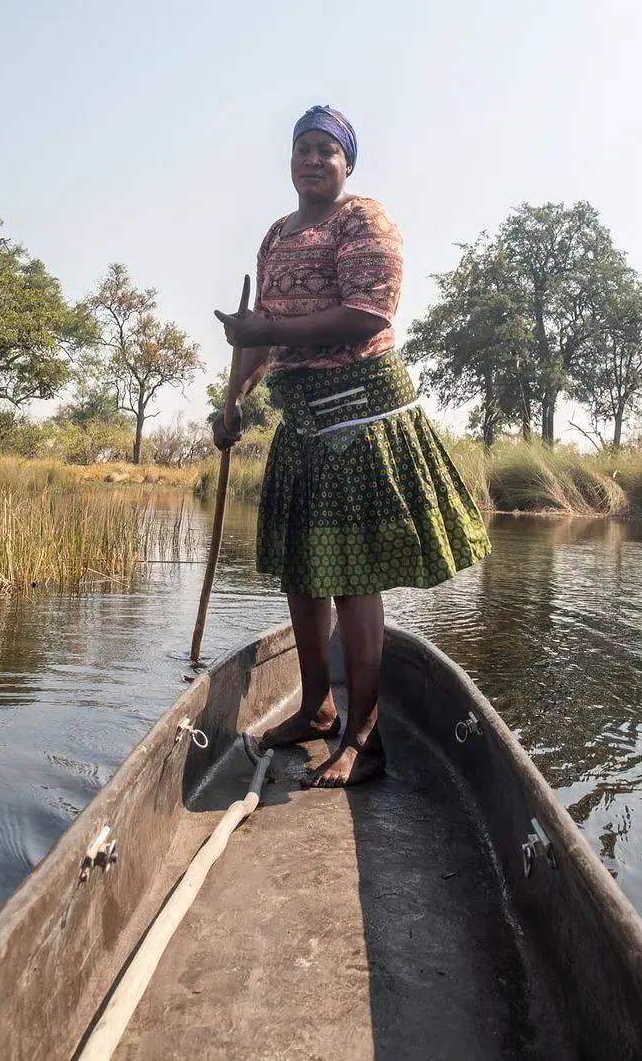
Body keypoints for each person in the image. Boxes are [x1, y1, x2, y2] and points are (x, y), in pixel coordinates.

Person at [213, 105, 490, 788]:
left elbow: (369, 314)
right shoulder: (276, 236)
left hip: (360, 416)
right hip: (300, 419)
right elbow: (268, 335)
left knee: (353, 574)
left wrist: (263, 328)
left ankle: (363, 738)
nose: (311, 159)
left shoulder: (364, 220)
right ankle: (315, 708)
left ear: (346, 165)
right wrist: (235, 399)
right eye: (301, 149)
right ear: (290, 162)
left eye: (324, 151)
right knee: (303, 573)